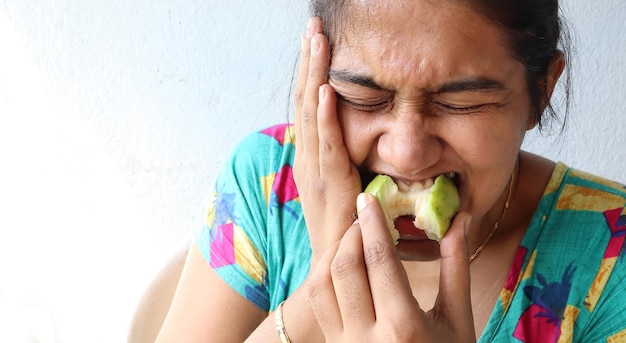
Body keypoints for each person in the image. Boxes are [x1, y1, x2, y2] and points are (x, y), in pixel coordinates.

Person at [155, 0, 626, 341]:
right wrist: (328, 275)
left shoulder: (613, 259)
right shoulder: (266, 184)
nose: (406, 153)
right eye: (365, 99)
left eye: (460, 103)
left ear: (540, 94)